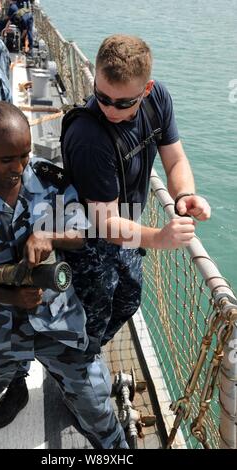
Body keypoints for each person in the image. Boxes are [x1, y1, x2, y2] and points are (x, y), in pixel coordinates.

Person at [0, 102, 128, 450]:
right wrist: (9, 297)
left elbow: (82, 232)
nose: (19, 167)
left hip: (56, 318)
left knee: (92, 395)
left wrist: (50, 236)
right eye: (7, 159)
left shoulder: (48, 179)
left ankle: (114, 445)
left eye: (24, 155)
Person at [63, 34, 211, 349]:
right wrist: (159, 238)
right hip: (89, 238)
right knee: (88, 321)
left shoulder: (158, 100)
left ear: (146, 90)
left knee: (128, 302)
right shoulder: (90, 137)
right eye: (102, 97)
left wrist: (185, 195)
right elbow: (105, 223)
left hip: (127, 227)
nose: (110, 110)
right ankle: (77, 370)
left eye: (124, 102)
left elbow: (175, 160)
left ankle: (85, 356)